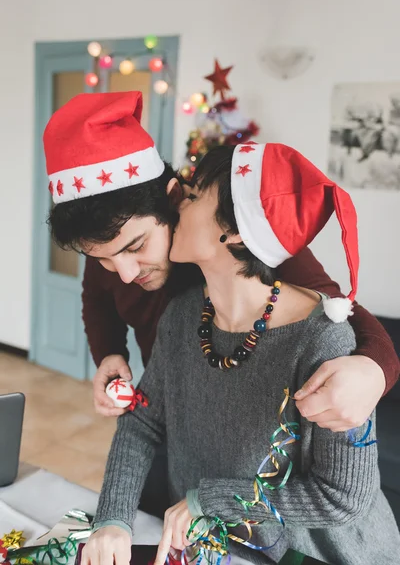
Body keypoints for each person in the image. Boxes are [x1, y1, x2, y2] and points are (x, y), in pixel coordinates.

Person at [81, 143, 400, 565]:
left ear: (231, 230)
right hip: (218, 548)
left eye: (192, 198)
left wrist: (209, 500)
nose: (177, 204)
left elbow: (341, 499)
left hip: (325, 555)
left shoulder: (324, 342)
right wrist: (113, 519)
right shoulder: (181, 318)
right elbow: (141, 421)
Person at [44, 91, 399, 441]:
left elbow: (340, 311)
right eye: (100, 258)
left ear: (174, 198)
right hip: (173, 423)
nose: (124, 272)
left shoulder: (244, 233)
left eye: (136, 246)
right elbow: (97, 299)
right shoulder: (110, 245)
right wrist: (109, 353)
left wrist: (373, 372)